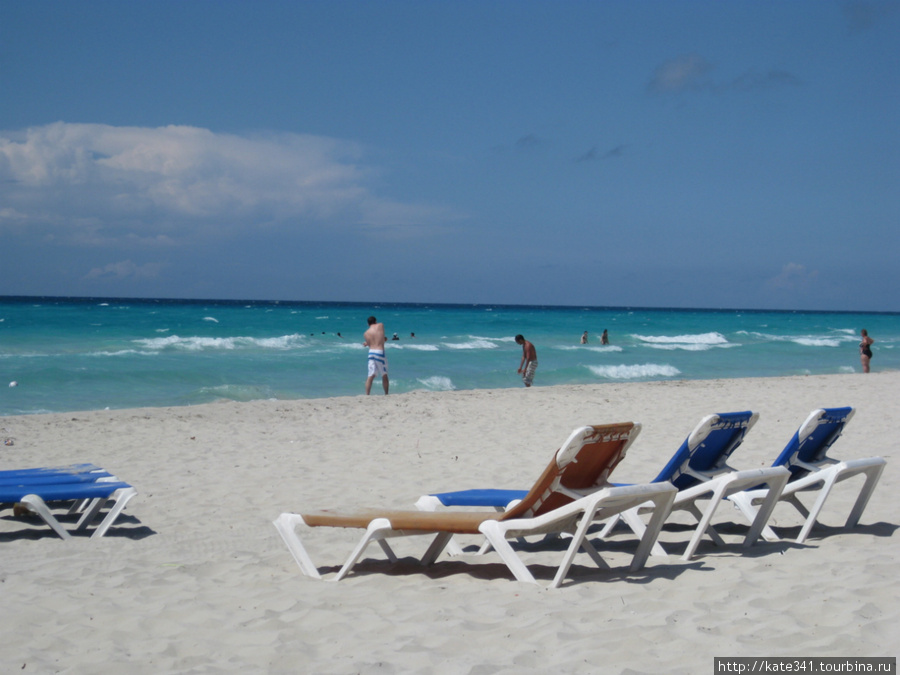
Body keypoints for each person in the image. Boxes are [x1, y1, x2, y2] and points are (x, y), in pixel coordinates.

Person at [364, 316, 389, 395]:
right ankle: (386, 394)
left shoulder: (366, 333)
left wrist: (366, 343)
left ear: (368, 324)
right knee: (384, 374)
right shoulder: (380, 325)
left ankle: (367, 394)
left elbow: (370, 343)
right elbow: (379, 338)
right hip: (379, 352)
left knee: (370, 375)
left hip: (371, 352)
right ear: (375, 321)